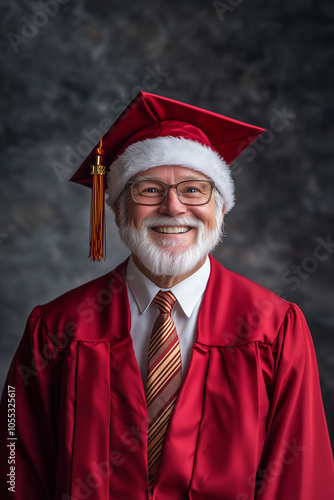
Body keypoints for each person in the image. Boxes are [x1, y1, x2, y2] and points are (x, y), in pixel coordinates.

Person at [0, 92, 333, 500]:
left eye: (194, 190)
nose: (174, 208)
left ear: (221, 207)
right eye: (149, 190)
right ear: (118, 207)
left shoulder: (273, 328)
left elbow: (300, 478)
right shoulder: (56, 329)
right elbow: (15, 465)